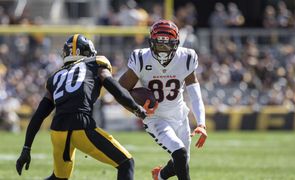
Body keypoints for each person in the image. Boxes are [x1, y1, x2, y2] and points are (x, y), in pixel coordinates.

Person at [16, 34, 156, 180]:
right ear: (88, 52)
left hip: (57, 131)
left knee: (58, 178)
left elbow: (39, 114)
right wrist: (136, 108)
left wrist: (26, 148)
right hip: (81, 126)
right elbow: (115, 88)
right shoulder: (95, 63)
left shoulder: (56, 77)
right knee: (126, 162)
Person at [119, 20, 207, 180]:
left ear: (176, 44)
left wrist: (201, 123)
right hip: (156, 118)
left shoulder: (186, 57)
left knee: (182, 160)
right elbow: (120, 89)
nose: (163, 50)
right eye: (159, 45)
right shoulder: (141, 58)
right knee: (180, 154)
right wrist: (138, 110)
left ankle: (159, 176)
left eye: (167, 45)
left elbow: (194, 92)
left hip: (180, 115)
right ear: (151, 43)